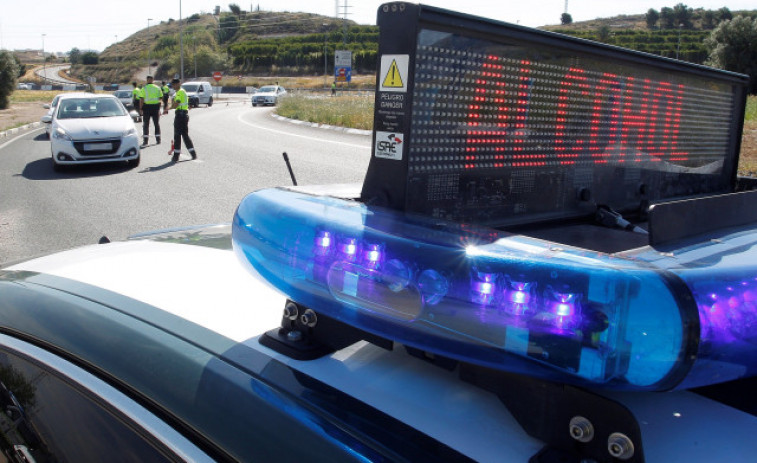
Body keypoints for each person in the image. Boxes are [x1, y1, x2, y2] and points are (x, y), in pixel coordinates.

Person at [166, 78, 197, 162]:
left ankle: (176, 156)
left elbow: (176, 104)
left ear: (177, 84)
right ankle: (193, 154)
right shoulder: (182, 91)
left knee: (177, 136)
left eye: (173, 85)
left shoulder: (179, 92)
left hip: (180, 116)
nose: (172, 86)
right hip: (184, 115)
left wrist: (168, 108)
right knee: (185, 135)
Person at [141, 75, 163, 146]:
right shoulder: (157, 88)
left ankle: (145, 141)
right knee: (156, 124)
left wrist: (141, 109)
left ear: (147, 80)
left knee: (146, 125)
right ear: (153, 80)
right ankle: (158, 139)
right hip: (155, 108)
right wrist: (159, 107)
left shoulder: (144, 88)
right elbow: (160, 98)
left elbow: (141, 99)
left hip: (146, 108)